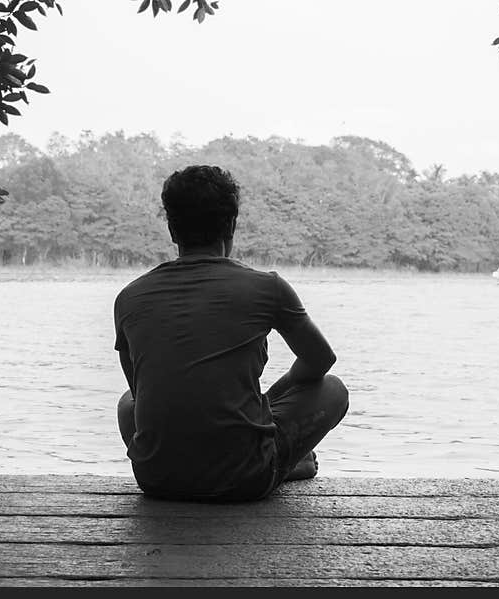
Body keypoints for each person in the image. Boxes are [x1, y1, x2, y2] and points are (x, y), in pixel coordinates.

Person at [113, 165, 349, 502]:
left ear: (171, 230)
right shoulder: (268, 288)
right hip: (244, 480)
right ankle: (282, 466)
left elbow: (138, 390)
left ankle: (194, 469)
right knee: (333, 389)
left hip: (156, 479)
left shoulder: (129, 297)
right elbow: (321, 360)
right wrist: (271, 398)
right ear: (232, 225)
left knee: (126, 404)